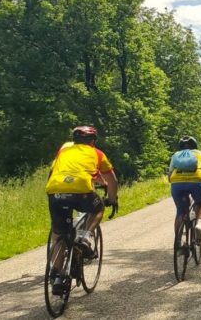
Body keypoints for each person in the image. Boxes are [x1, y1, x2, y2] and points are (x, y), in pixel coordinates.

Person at [45, 126, 118, 294]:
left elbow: (55, 171)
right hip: (81, 192)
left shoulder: (64, 150)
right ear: (92, 141)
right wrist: (112, 199)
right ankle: (85, 237)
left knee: (59, 232)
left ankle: (57, 275)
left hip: (55, 190)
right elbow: (111, 180)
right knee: (98, 208)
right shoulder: (97, 153)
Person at [168, 136, 201, 238]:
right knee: (200, 203)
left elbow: (169, 175)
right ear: (194, 145)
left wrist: (176, 182)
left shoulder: (175, 155)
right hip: (195, 181)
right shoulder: (199, 153)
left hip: (176, 183)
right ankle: (199, 224)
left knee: (180, 211)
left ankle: (178, 241)